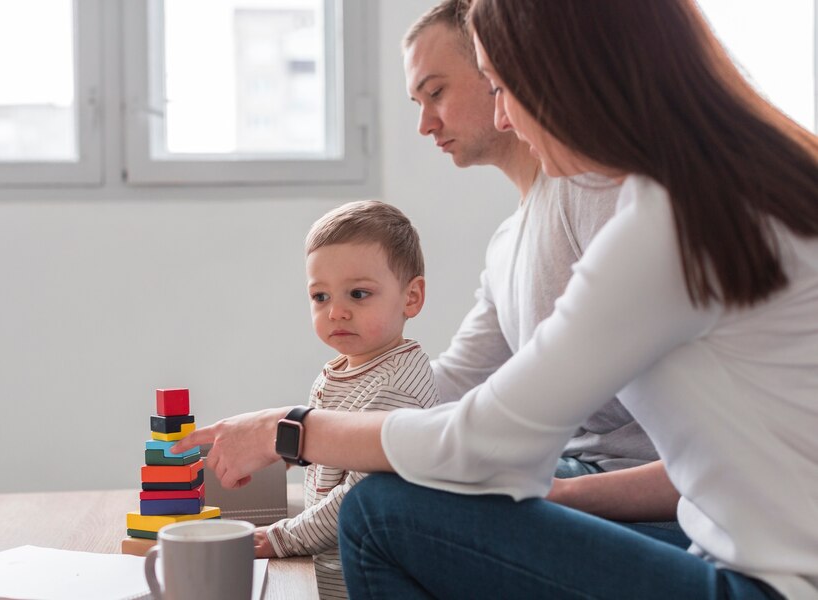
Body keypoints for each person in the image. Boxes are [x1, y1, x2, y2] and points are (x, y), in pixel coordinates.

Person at [175, 0, 818, 597]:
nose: (505, 114)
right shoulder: (727, 184)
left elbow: (490, 443)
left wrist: (289, 432)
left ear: (563, 73)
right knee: (404, 484)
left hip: (760, 583)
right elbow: (459, 401)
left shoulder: (667, 219)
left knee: (381, 515)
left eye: (502, 85)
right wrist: (311, 416)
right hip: (733, 558)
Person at [402, 0, 683, 526]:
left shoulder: (596, 192)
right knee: (388, 484)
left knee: (389, 508)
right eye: (416, 101)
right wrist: (344, 389)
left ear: (496, 70)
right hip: (570, 470)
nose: (424, 124)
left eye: (435, 92)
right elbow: (448, 385)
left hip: (636, 492)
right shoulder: (506, 243)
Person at [250, 200, 438, 599]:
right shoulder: (344, 369)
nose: (336, 311)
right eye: (320, 297)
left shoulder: (396, 386)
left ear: (411, 298)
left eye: (358, 294)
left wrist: (280, 538)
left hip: (362, 577)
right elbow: (323, 460)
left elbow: (355, 499)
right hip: (329, 562)